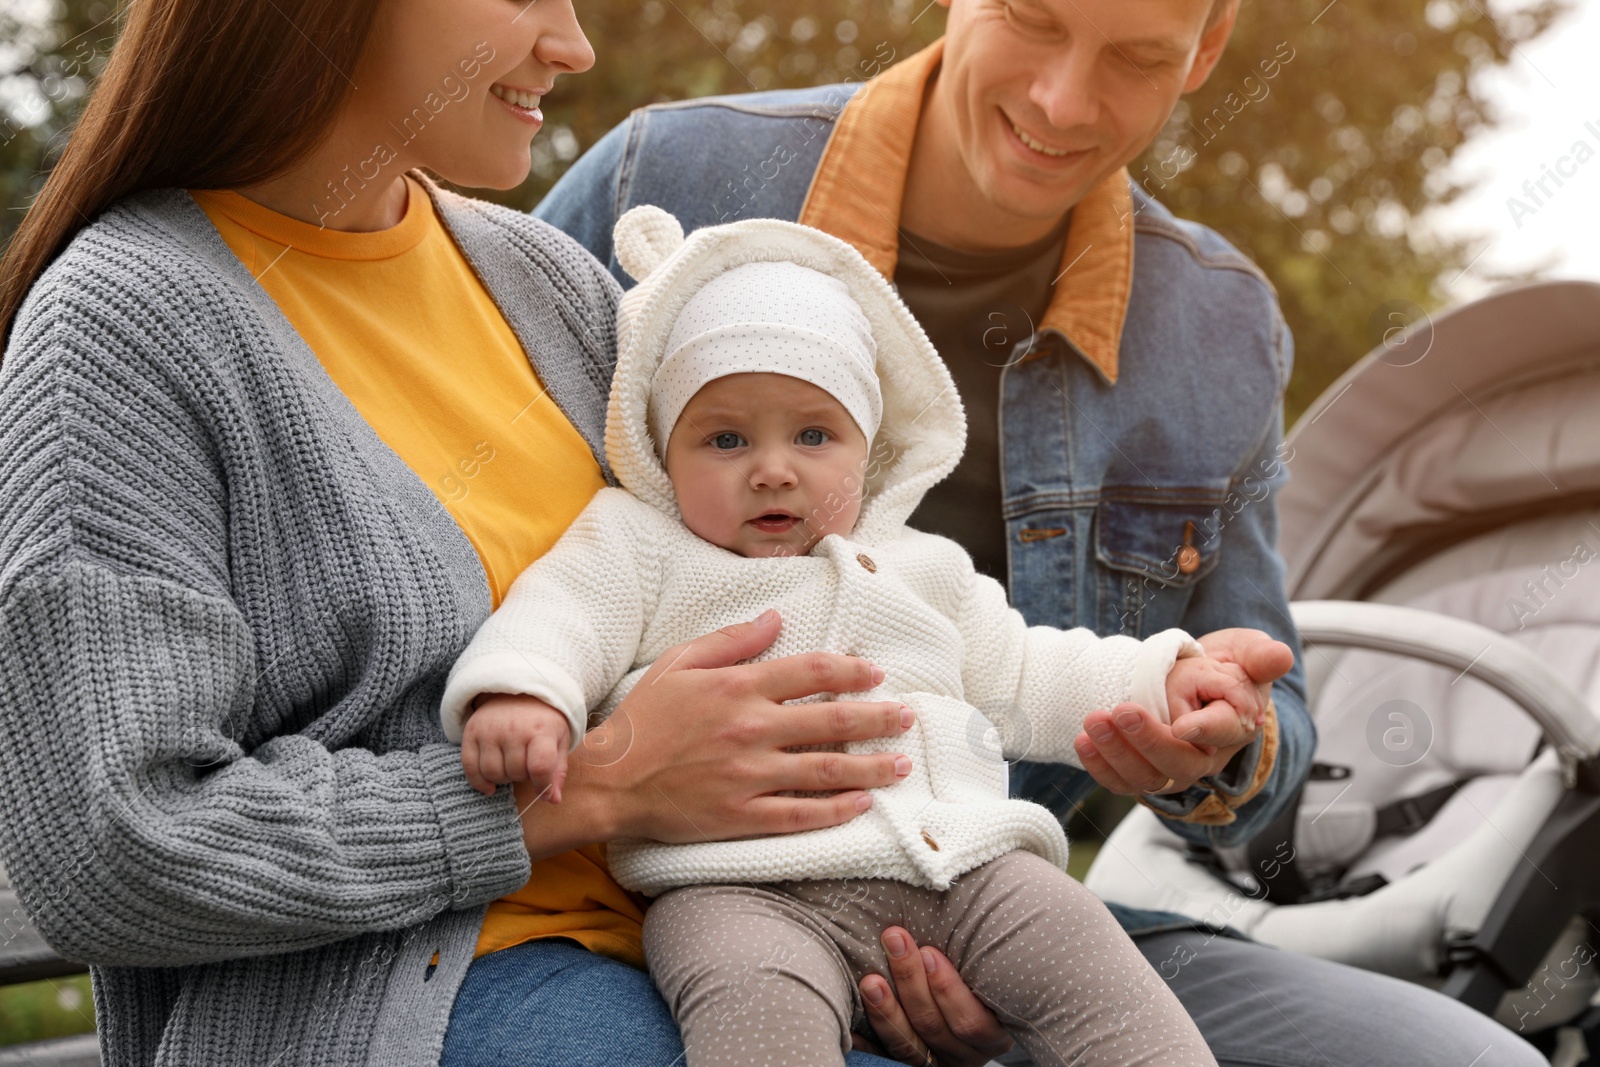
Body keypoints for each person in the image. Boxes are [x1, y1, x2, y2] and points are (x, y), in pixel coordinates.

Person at [532, 1, 1550, 1064]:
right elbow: (433, 550)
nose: (1063, 101)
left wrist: (1217, 732)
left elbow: (1268, 725)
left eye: (1137, 55)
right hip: (681, 913)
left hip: (1005, 896)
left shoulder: (1217, 325)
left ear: (1205, 51)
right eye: (1031, 17)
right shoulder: (664, 174)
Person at [0, 2, 987, 1065]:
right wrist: (589, 789)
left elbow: (724, 587)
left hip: (718, 941)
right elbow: (113, 845)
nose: (572, 47)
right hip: (400, 1006)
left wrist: (881, 927)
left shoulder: (542, 279)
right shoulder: (122, 323)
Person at [444, 205, 1275, 1066]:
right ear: (659, 447)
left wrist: (1160, 683)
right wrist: (524, 690)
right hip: (733, 891)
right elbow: (562, 611)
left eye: (814, 434)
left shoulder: (924, 566)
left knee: (1086, 949)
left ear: (870, 450)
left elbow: (1028, 668)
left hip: (962, 869)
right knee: (754, 1010)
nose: (772, 467)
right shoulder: (640, 543)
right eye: (724, 437)